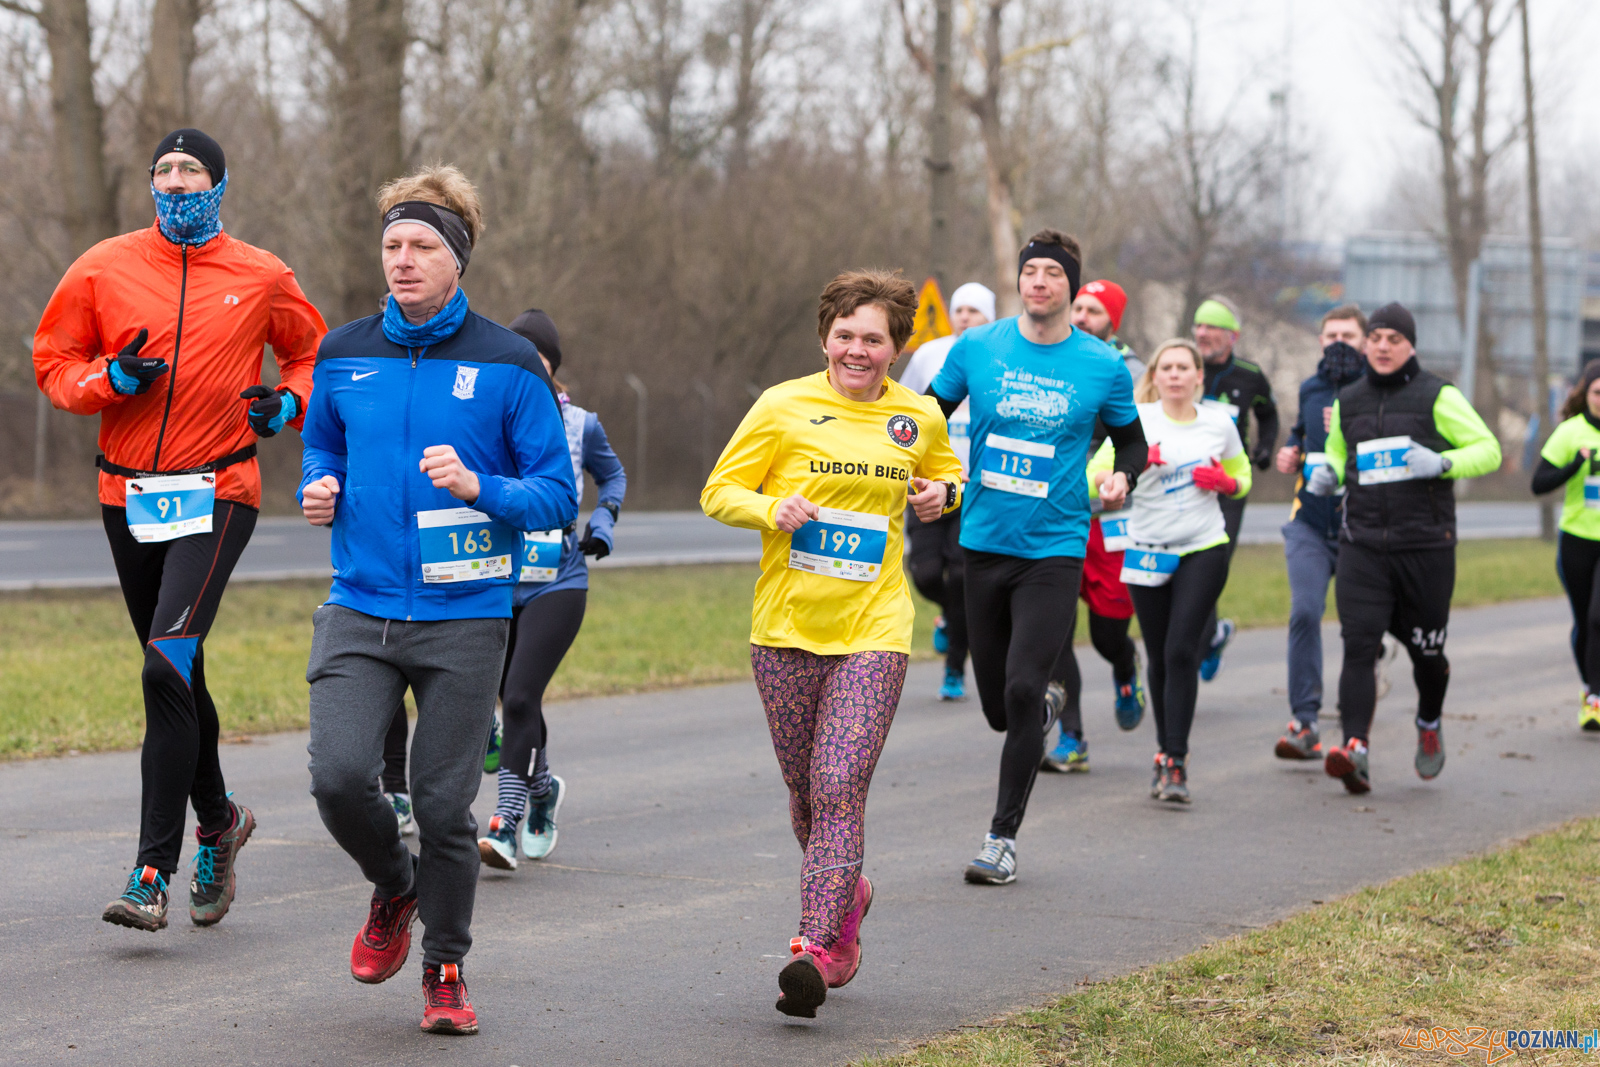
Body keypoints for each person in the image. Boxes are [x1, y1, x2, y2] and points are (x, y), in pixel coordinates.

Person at [298, 164, 576, 1035]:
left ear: (457, 259)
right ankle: (394, 885)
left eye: (422, 246)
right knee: (340, 777)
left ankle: (445, 965)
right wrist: (320, 486)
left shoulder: (508, 362)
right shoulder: (343, 353)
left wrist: (480, 487)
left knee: (445, 804)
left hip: (465, 614)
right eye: (392, 245)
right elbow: (320, 449)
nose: (403, 260)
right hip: (361, 603)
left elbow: (557, 496)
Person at [34, 128, 326, 932]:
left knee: (165, 664)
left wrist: (288, 404)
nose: (174, 181)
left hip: (219, 486)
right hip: (126, 494)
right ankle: (222, 819)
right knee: (180, 674)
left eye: (190, 169)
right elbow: (52, 364)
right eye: (162, 170)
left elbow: (312, 356)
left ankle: (148, 872)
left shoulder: (262, 274)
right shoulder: (103, 265)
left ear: (219, 183)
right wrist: (109, 379)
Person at [702, 269, 962, 1018]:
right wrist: (769, 506)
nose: (856, 349)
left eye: (872, 338)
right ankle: (849, 893)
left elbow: (948, 480)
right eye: (844, 335)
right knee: (803, 788)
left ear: (895, 346)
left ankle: (818, 944)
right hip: (784, 627)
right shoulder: (782, 406)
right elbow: (719, 490)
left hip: (874, 629)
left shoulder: (918, 417)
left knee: (839, 783)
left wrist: (942, 495)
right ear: (825, 338)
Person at [928, 230, 1146, 885]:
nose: (1040, 281)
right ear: (1019, 281)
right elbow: (923, 419)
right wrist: (938, 481)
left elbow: (1132, 444)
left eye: (1054, 272)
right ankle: (1040, 711)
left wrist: (1122, 478)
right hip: (983, 541)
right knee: (1001, 708)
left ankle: (1001, 840)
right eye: (1032, 271)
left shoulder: (1102, 364)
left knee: (1024, 687)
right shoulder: (978, 346)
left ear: (1071, 287)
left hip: (1054, 547)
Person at [1307, 302, 1500, 794]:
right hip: (1363, 544)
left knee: (1427, 653)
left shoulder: (1439, 395)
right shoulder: (1348, 399)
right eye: (1376, 338)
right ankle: (1355, 750)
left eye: (1395, 339)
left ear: (1410, 345)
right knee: (1358, 645)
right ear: (1365, 343)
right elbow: (1336, 450)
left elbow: (1488, 450)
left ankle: (1429, 723)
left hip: (1425, 547)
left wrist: (1440, 462)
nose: (1384, 346)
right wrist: (1326, 474)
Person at [477, 308, 626, 869]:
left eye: (533, 357)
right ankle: (542, 795)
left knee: (518, 696)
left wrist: (603, 522)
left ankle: (506, 823)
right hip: (494, 577)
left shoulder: (580, 424)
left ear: (551, 366)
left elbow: (611, 475)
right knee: (514, 701)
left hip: (558, 580)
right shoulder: (485, 419)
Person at [1090, 339, 1251, 803]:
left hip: (1203, 545)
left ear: (1199, 376)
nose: (1176, 374)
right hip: (1145, 548)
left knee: (1182, 648)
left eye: (1185, 367)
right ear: (1155, 376)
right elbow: (1095, 475)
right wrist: (1130, 468)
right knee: (1159, 655)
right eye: (1168, 367)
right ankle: (1163, 752)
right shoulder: (1136, 421)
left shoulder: (1219, 422)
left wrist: (1226, 482)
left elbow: (1242, 476)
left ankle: (1176, 761)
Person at [1042, 279, 1147, 772]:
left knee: (1107, 635)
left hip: (1110, 521)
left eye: (1094, 311)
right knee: (1057, 631)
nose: (1082, 317)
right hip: (1054, 516)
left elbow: (1139, 444)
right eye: (1078, 307)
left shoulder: (1130, 371)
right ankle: (1073, 737)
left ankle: (1126, 668)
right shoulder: (1047, 358)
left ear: (1113, 323)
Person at [1270, 306, 1369, 760]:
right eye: (1331, 334)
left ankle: (1354, 726)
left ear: (1366, 341)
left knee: (1361, 627)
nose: (1339, 342)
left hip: (1361, 526)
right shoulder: (1310, 388)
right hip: (1309, 521)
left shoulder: (1376, 392)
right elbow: (1299, 434)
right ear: (1320, 340)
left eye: (1348, 334)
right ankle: (1304, 722)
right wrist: (1291, 451)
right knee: (1305, 613)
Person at [897, 281, 995, 699]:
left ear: (990, 318)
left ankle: (954, 669)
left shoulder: (999, 359)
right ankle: (949, 619)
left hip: (976, 488)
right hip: (926, 482)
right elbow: (903, 407)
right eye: (959, 310)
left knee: (961, 578)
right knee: (923, 572)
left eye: (975, 311)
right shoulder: (929, 355)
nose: (965, 317)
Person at [1192, 297, 1277, 680]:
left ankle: (1200, 645)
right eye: (1198, 326)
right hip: (1183, 481)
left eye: (1211, 328)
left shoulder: (1249, 375)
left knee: (1211, 568)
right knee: (1186, 567)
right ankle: (1208, 638)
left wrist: (1263, 448)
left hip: (1228, 485)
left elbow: (1268, 413)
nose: (1202, 334)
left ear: (1232, 336)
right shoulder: (1182, 367)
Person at [1530, 359, 1600, 731]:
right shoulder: (1571, 432)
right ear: (1585, 395)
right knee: (1584, 625)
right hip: (1576, 538)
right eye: (1597, 392)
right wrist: (1574, 465)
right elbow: (1539, 484)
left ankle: (1595, 699)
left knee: (1598, 617)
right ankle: (1591, 687)